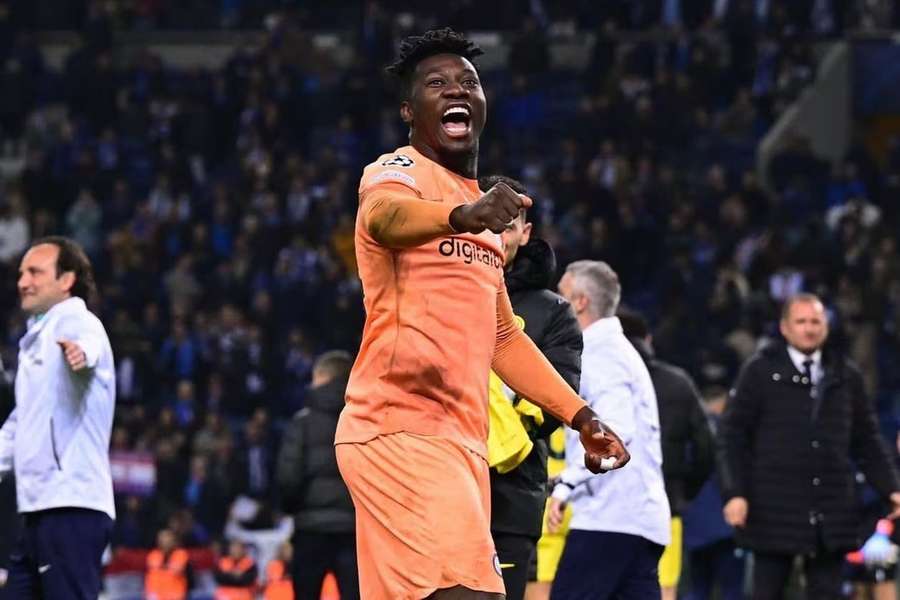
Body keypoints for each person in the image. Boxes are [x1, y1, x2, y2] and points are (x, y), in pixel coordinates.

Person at [334, 28, 629, 600]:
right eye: (436, 83)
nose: (455, 90)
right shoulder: (397, 170)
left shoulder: (488, 227)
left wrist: (581, 417)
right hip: (400, 428)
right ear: (409, 110)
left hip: (462, 442)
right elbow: (382, 218)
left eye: (468, 82)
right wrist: (461, 215)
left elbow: (503, 338)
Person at [719, 292, 900, 599]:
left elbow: (867, 441)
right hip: (772, 511)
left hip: (830, 513)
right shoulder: (759, 371)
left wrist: (891, 488)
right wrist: (735, 492)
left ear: (826, 326)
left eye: (816, 321)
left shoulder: (846, 375)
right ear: (785, 327)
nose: (809, 328)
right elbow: (732, 437)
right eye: (801, 321)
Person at [478, 174, 582, 600]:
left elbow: (554, 399)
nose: (495, 235)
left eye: (506, 227)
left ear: (525, 233)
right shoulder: (438, 293)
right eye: (486, 221)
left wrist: (499, 438)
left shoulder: (553, 313)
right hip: (438, 485)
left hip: (510, 494)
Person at [0, 236, 116, 600]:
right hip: (37, 511)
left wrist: (82, 354)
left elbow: (87, 343)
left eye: (35, 272)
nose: (23, 282)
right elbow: (20, 424)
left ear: (66, 280)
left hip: (71, 506)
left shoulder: (76, 321)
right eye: (21, 273)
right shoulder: (36, 342)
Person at [548, 260, 671, 600]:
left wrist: (568, 483)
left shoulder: (601, 353)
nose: (554, 302)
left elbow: (617, 430)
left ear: (579, 302)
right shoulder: (619, 351)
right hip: (638, 520)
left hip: (609, 518)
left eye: (560, 294)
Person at [619, 308, 715, 600]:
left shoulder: (595, 379)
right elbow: (706, 447)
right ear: (648, 339)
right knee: (664, 589)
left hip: (606, 510)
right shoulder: (678, 382)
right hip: (665, 505)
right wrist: (684, 490)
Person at [276, 350, 358, 600]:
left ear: (322, 377)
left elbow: (288, 477)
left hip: (310, 529)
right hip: (353, 530)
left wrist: (292, 511)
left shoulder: (303, 422)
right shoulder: (363, 421)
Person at [145, 528, 191, 600]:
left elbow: (178, 569)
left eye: (168, 539)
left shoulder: (181, 554)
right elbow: (152, 574)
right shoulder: (153, 555)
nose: (165, 541)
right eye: (162, 539)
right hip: (156, 595)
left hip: (175, 595)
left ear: (174, 541)